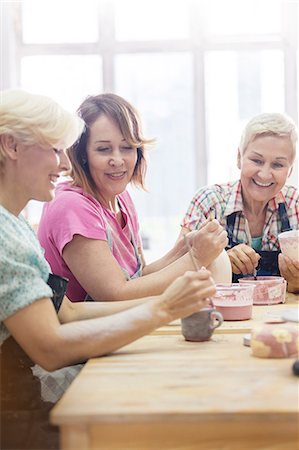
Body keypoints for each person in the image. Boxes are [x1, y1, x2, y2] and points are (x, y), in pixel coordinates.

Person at [0, 89, 217, 450]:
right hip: (16, 417)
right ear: (11, 146)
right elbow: (50, 348)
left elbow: (67, 311)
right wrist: (163, 308)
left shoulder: (15, 225)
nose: (65, 164)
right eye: (55, 150)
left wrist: (168, 305)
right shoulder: (8, 234)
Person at [37, 93, 228, 302]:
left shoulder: (121, 199)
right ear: (83, 153)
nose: (117, 160)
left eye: (127, 147)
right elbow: (114, 294)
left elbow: (138, 278)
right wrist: (196, 258)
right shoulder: (71, 206)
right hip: (84, 330)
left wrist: (182, 250)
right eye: (104, 149)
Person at [179, 112, 299, 293]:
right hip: (221, 318)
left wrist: (296, 283)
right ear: (239, 158)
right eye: (256, 160)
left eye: (278, 165)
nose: (265, 174)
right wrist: (221, 262)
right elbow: (175, 275)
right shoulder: (209, 202)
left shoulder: (295, 205)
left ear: (290, 171)